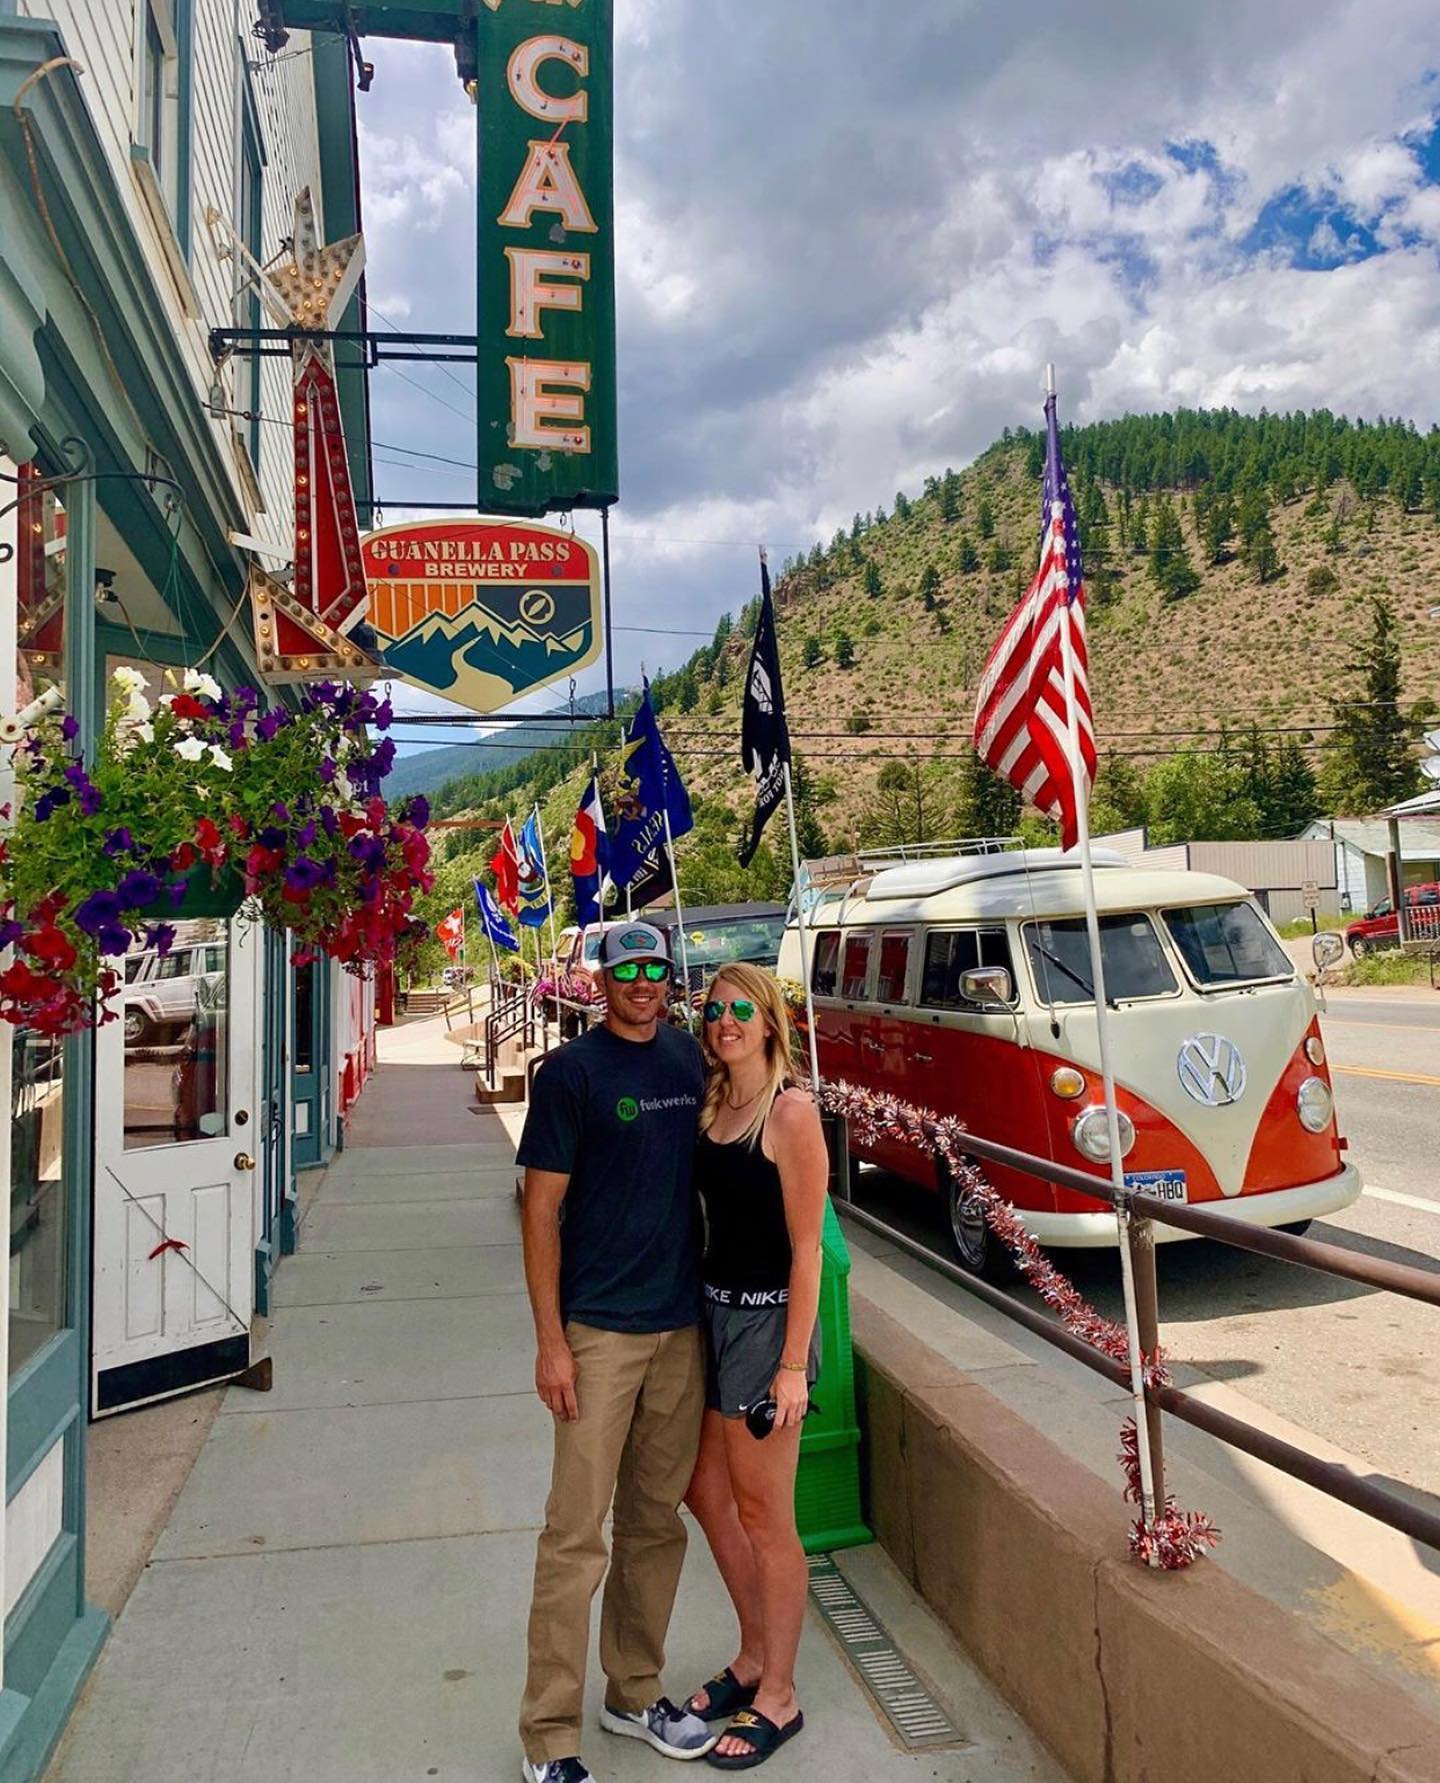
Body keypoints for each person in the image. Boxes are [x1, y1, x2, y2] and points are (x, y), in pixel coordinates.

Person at [517, 920, 717, 1783]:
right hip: (598, 1331)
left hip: (680, 1328)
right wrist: (551, 1342)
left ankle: (632, 1691)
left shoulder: (689, 1061)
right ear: (600, 978)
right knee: (574, 1536)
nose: (642, 982)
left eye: (656, 970)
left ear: (670, 979)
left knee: (653, 1525)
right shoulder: (570, 1074)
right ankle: (550, 1736)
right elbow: (539, 1210)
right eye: (626, 968)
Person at [681, 963, 828, 1771]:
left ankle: (780, 1692)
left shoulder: (789, 1111)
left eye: (741, 1009)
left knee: (766, 1514)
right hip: (711, 1312)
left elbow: (807, 1246)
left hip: (767, 1325)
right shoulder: (715, 1103)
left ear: (770, 1021)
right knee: (706, 1491)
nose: (726, 1020)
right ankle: (750, 1654)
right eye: (714, 1010)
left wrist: (792, 1367)